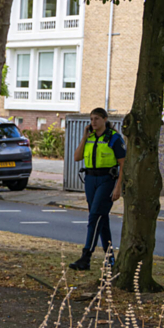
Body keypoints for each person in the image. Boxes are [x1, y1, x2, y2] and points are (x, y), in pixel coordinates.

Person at [69, 107, 126, 271]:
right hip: (90, 179)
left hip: (106, 180)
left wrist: (118, 187)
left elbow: (123, 163)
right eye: (91, 119)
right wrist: (84, 137)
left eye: (97, 119)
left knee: (95, 216)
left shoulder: (114, 138)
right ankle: (110, 258)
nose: (93, 122)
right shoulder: (90, 137)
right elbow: (77, 157)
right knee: (102, 219)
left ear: (105, 120)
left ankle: (86, 256)